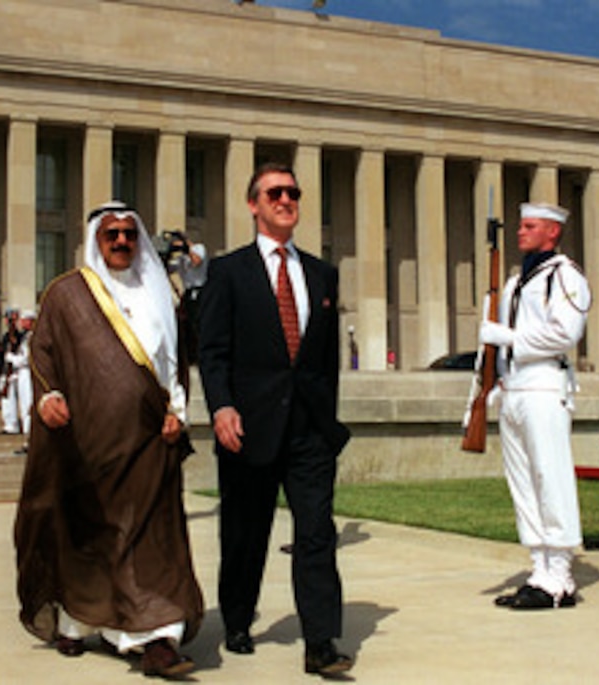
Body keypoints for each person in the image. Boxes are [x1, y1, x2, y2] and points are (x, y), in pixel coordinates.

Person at [14, 200, 204, 679]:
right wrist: (48, 396)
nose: (121, 242)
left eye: (129, 234)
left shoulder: (160, 292)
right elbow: (43, 354)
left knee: (152, 538)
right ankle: (79, 622)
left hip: (149, 437)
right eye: (111, 235)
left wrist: (177, 412)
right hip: (89, 443)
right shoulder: (68, 294)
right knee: (92, 535)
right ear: (96, 241)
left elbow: (173, 363)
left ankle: (156, 638)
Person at [198, 162, 353, 676]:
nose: (286, 200)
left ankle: (320, 641)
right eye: (274, 193)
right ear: (253, 204)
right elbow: (213, 351)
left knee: (315, 532)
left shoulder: (321, 273)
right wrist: (221, 407)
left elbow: (326, 358)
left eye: (292, 192)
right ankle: (238, 619)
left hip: (309, 428)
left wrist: (327, 420)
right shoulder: (227, 272)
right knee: (245, 531)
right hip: (248, 424)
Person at [477, 202, 591, 610]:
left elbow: (565, 333)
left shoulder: (565, 276)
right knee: (523, 484)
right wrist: (489, 380)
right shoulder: (513, 283)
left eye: (530, 226)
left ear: (552, 233)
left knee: (550, 477)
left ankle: (560, 575)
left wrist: (509, 339)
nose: (520, 232)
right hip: (513, 389)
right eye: (521, 226)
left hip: (544, 384)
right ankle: (539, 570)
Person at [166, 231, 208, 367]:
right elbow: (169, 270)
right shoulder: (181, 258)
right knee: (186, 324)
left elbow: (197, 261)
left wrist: (186, 247)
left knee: (198, 324)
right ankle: (190, 355)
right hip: (188, 293)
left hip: (200, 291)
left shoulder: (198, 249)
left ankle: (201, 354)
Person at [9, 310, 36, 455]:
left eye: (24, 320)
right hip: (21, 373)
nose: (21, 322)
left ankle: (30, 441)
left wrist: (13, 359)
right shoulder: (26, 337)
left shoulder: (32, 337)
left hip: (27, 372)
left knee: (27, 408)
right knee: (23, 406)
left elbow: (27, 358)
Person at [0, 309, 24, 435]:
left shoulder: (19, 336)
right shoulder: (6, 336)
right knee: (6, 399)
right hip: (5, 370)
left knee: (12, 399)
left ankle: (13, 424)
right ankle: (8, 423)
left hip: (13, 371)